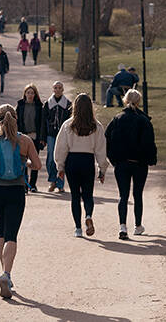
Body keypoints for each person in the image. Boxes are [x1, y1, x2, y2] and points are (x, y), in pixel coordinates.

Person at [0, 104, 41, 299]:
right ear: (16, 119)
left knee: (1, 232)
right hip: (16, 191)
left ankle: (5, 271)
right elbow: (37, 165)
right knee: (11, 234)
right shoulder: (25, 141)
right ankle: (7, 274)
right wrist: (25, 162)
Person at [105, 89, 157, 240]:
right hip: (139, 163)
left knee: (123, 195)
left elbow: (107, 139)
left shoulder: (117, 118)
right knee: (137, 194)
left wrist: (113, 159)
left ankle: (122, 226)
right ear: (139, 101)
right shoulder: (144, 120)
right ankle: (138, 225)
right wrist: (150, 159)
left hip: (121, 163)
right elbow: (149, 143)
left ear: (125, 100)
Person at [54, 94, 109, 237]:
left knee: (75, 196)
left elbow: (61, 148)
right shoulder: (96, 126)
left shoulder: (68, 125)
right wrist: (102, 170)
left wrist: (60, 167)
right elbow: (101, 150)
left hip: (72, 160)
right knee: (88, 194)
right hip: (87, 161)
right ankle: (88, 216)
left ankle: (78, 228)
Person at [41, 81, 71, 193]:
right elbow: (43, 122)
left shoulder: (68, 104)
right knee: (50, 159)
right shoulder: (47, 104)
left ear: (63, 90)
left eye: (60, 88)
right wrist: (42, 138)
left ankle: (60, 183)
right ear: (53, 89)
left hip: (64, 135)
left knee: (61, 159)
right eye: (55, 88)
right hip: (51, 135)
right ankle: (52, 180)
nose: (58, 90)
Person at [16, 84, 43, 192]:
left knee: (34, 160)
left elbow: (42, 123)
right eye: (28, 93)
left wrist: (42, 138)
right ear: (25, 94)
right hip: (23, 136)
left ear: (35, 94)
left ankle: (33, 185)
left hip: (35, 136)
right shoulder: (20, 105)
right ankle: (24, 184)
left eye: (32, 93)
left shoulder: (39, 106)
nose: (30, 95)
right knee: (23, 161)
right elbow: (16, 121)